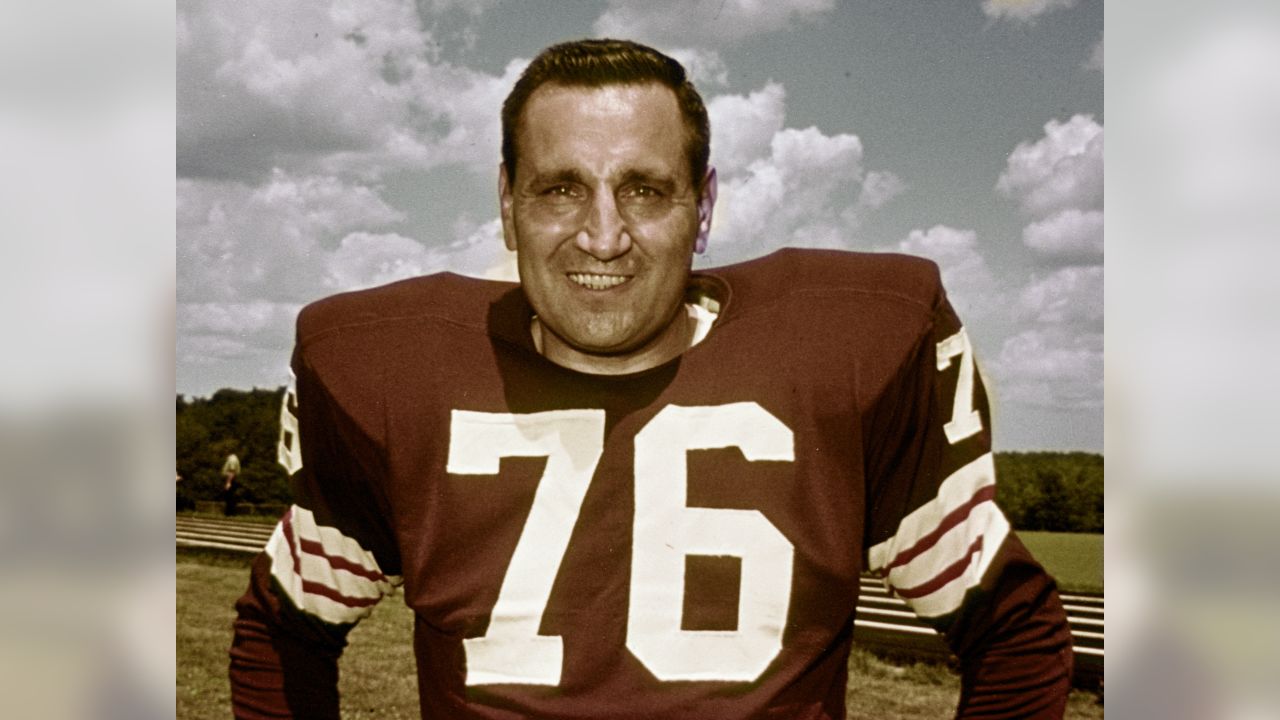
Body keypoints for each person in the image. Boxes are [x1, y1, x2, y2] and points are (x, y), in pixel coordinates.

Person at [230, 39, 1073, 719]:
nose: (603, 234)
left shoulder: (851, 353)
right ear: (507, 202)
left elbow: (1015, 632)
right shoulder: (386, 370)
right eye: (561, 188)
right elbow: (284, 634)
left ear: (703, 209)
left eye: (644, 190)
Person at [220, 452, 242, 516]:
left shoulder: (232, 459)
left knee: (230, 497)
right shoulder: (232, 458)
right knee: (230, 497)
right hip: (231, 479)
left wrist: (228, 482)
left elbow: (232, 472)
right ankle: (230, 513)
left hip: (231, 479)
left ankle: (230, 513)